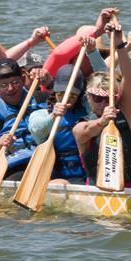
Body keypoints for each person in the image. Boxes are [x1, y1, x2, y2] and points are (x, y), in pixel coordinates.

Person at [74, 22, 131, 187]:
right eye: (98, 99)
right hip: (97, 187)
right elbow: (82, 132)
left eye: (108, 99)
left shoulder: (123, 112)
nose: (104, 104)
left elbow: (128, 78)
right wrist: (102, 122)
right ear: (88, 97)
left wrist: (120, 44)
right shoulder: (83, 124)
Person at [0, 59, 44, 180]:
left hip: (43, 159)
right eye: (4, 85)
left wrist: (49, 81)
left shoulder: (39, 98)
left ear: (23, 80)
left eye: (15, 82)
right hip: (14, 167)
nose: (10, 88)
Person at [45, 43, 91, 185]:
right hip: (58, 174)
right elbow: (37, 127)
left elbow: (106, 77)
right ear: (54, 91)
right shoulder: (44, 112)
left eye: (72, 95)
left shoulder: (88, 108)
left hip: (85, 174)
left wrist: (93, 52)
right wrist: (52, 117)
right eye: (61, 93)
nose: (66, 98)